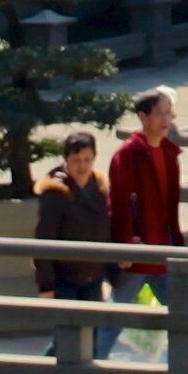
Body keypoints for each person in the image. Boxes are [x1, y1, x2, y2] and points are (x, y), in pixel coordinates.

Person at [106, 89, 186, 343]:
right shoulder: (128, 154)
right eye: (159, 114)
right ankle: (86, 359)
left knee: (183, 312)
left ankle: (187, 360)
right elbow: (118, 202)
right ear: (143, 116)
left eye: (169, 114)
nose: (166, 120)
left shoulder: (169, 153)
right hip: (138, 248)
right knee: (114, 318)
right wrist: (124, 243)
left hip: (165, 246)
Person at [33, 132, 121, 358]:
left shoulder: (99, 187)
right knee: (67, 336)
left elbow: (107, 228)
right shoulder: (55, 193)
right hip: (65, 277)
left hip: (93, 275)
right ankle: (42, 371)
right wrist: (46, 284)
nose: (82, 167)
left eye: (87, 160)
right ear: (66, 160)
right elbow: (44, 239)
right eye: (76, 160)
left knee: (90, 336)